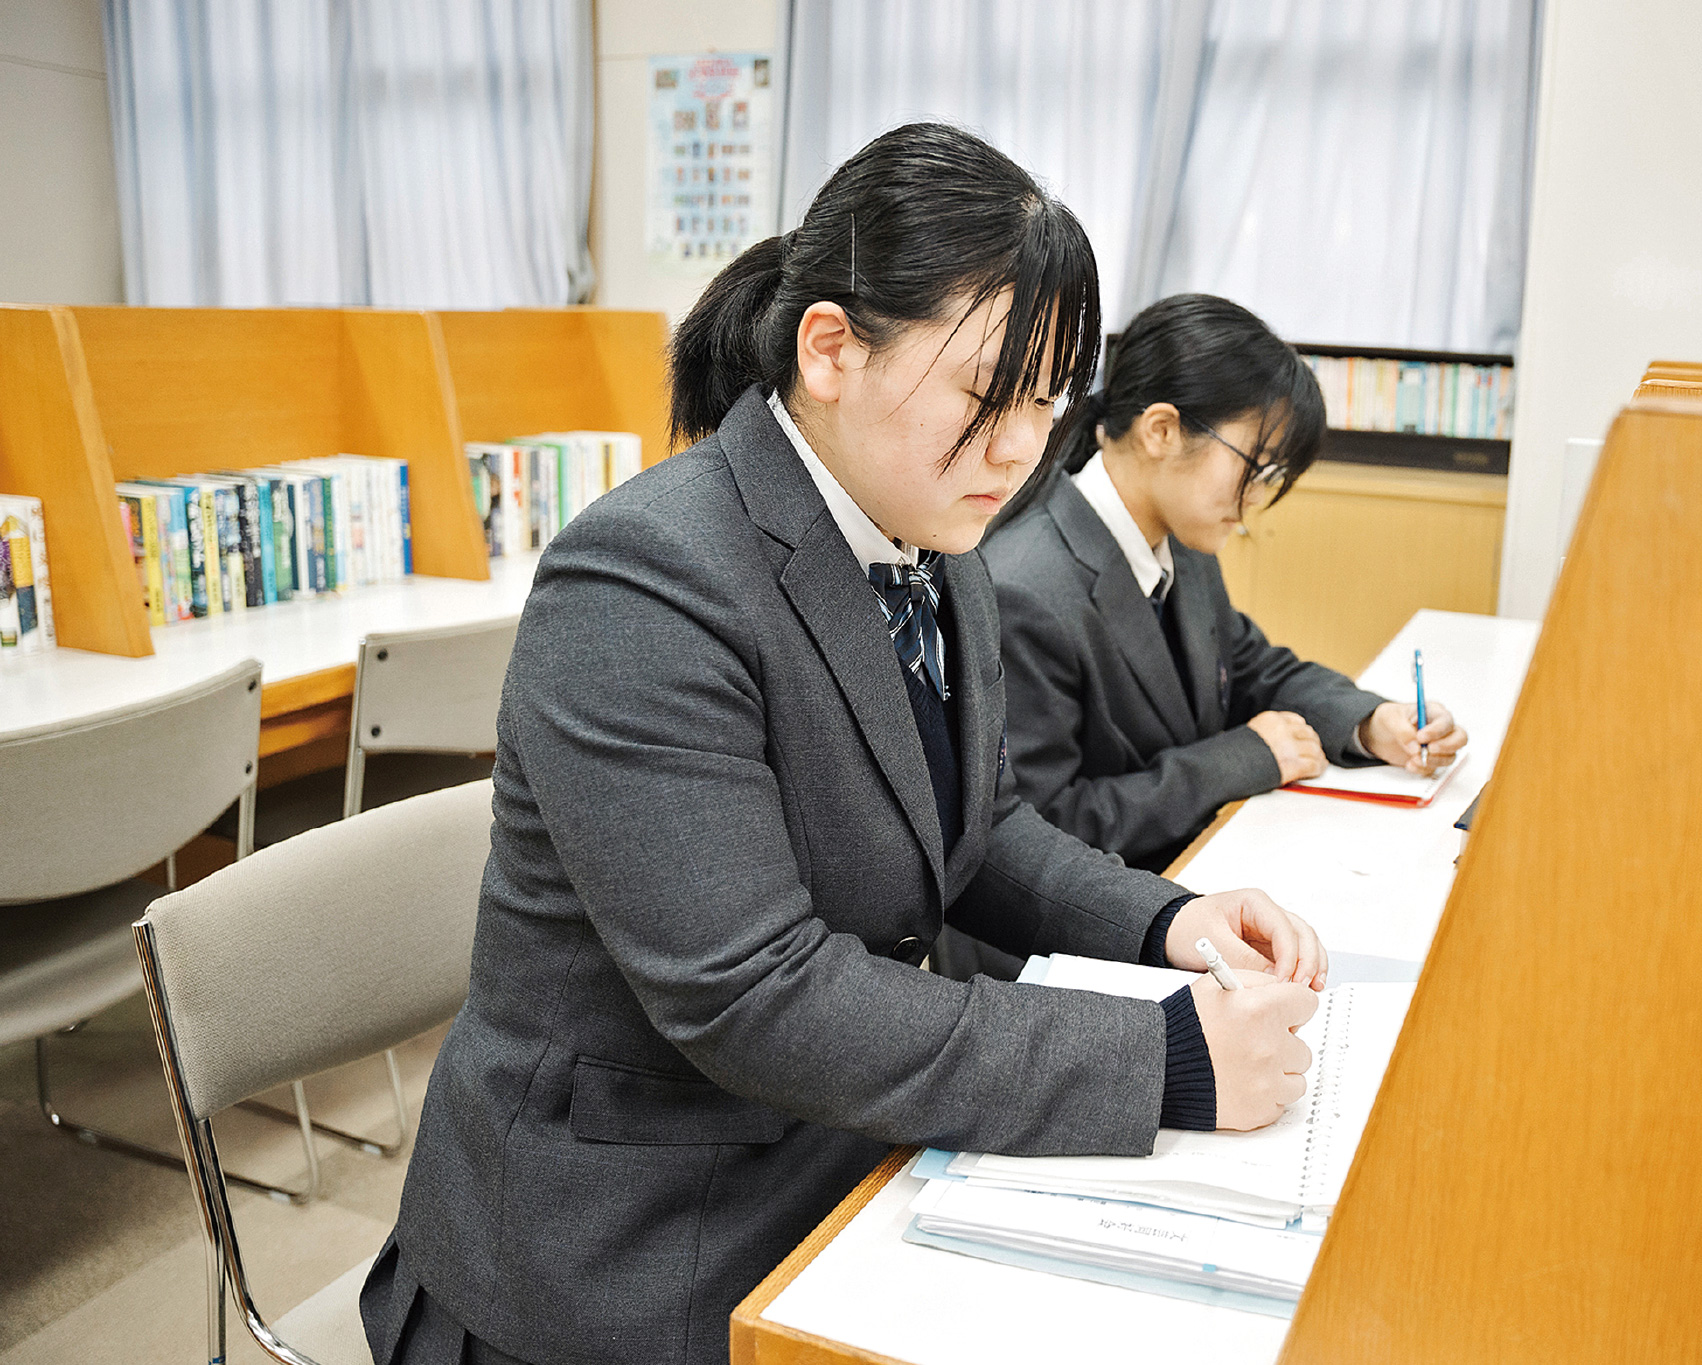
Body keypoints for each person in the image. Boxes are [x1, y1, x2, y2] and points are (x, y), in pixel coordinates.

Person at [360, 127, 1331, 1365]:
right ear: (829, 349)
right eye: (988, 397)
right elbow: (754, 993)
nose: (1022, 449)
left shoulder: (929, 530)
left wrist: (1166, 922)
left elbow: (979, 831)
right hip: (627, 1237)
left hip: (828, 1140)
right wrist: (1164, 1057)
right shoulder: (647, 577)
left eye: (1045, 405)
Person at [981, 294, 1468, 877]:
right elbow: (1040, 828)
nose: (1258, 501)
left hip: (1185, 868)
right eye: (1256, 470)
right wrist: (1239, 760)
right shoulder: (1026, 589)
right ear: (1161, 430)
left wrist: (1369, 723)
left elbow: (1252, 669)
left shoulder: (1179, 538)